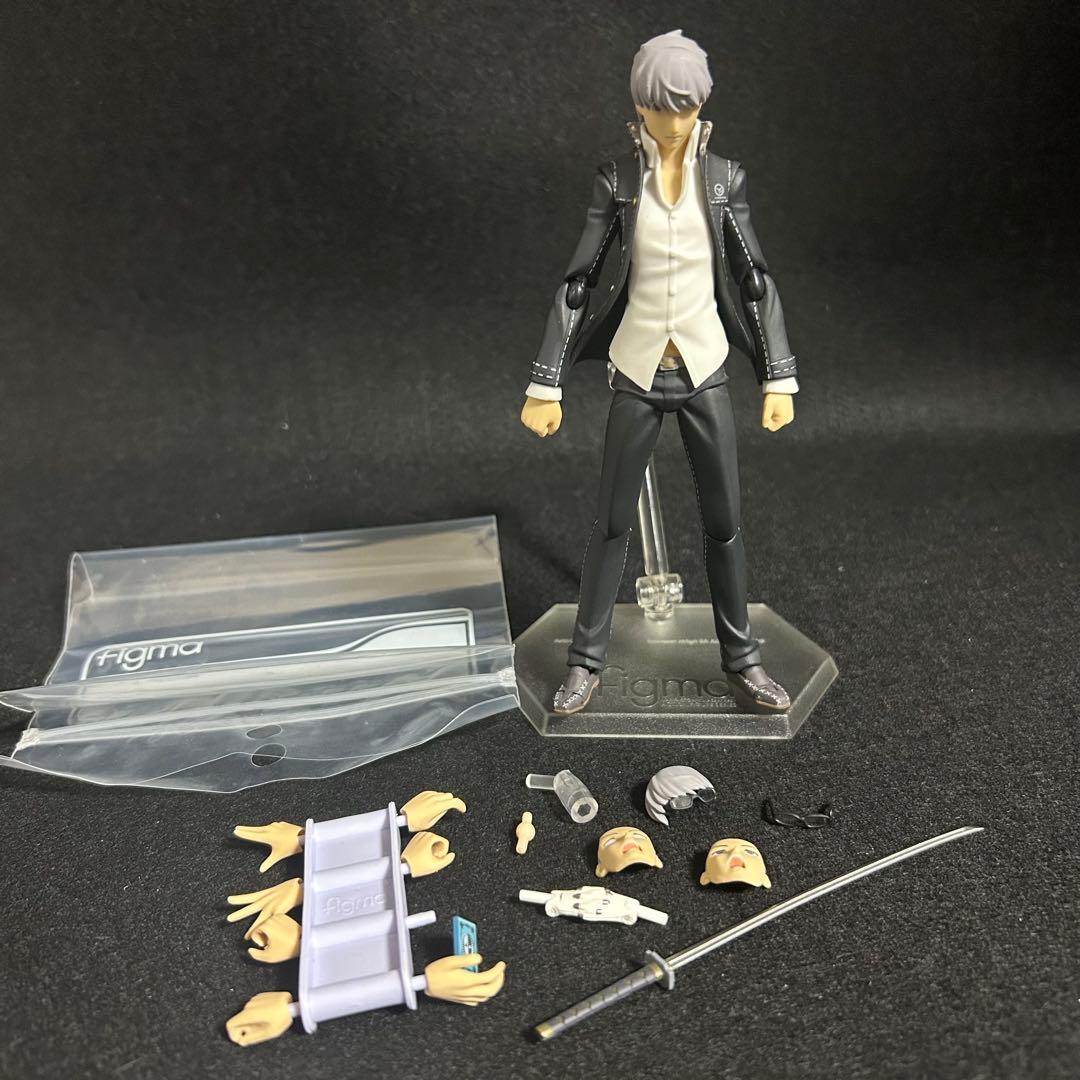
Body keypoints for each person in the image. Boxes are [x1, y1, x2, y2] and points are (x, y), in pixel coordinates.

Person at [521, 29, 798, 715]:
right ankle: (585, 661)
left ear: (702, 104)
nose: (672, 123)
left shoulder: (724, 179)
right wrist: (546, 381)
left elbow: (753, 279)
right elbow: (579, 282)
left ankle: (742, 659)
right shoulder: (618, 182)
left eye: (685, 108)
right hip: (638, 370)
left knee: (724, 522)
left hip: (705, 369)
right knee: (611, 522)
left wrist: (778, 375)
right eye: (658, 109)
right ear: (638, 106)